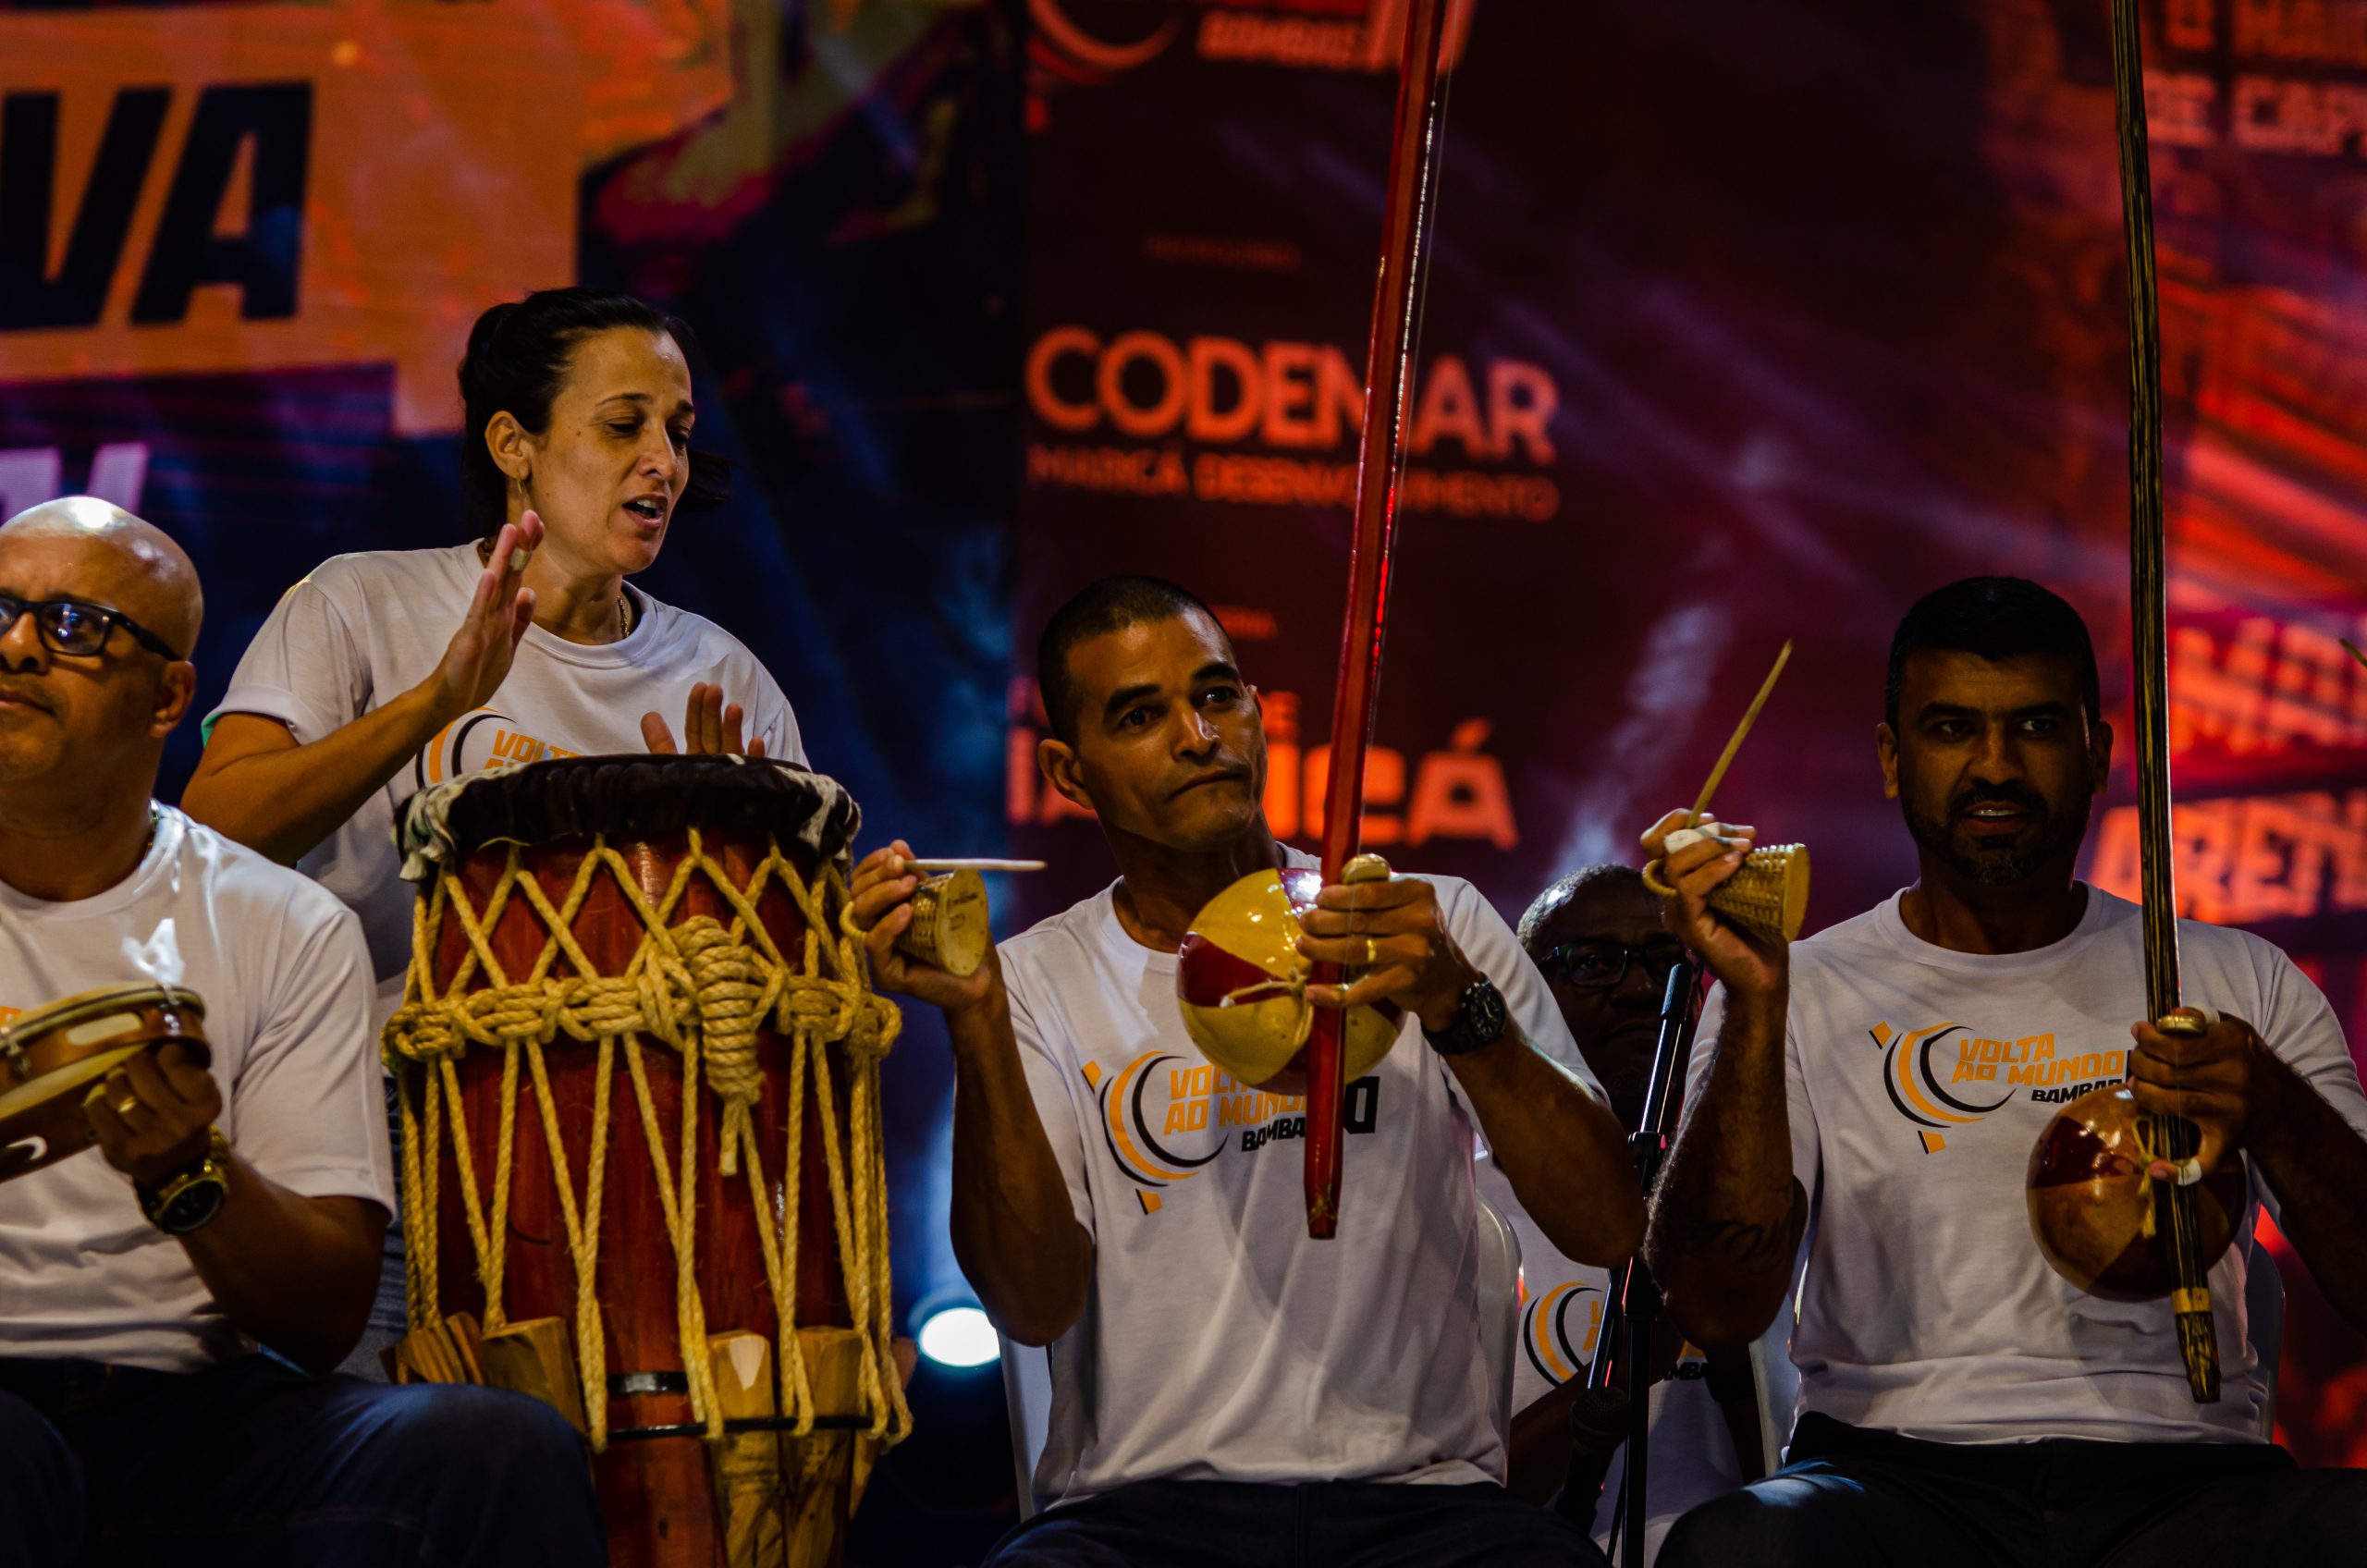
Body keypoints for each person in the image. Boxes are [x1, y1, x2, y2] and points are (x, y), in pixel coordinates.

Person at [853, 575, 1643, 1568]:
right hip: (1138, 1519)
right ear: (1067, 771)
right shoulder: (1034, 982)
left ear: (1258, 714)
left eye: (1216, 695)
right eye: (1140, 715)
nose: (1197, 736)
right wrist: (973, 1020)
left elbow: (1607, 1227)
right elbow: (1032, 1304)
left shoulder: (1427, 923)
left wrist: (1456, 1006)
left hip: (1421, 1508)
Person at [1642, 576, 2367, 1564]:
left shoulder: (2247, 978)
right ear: (1892, 759)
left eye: (2035, 726)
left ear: (2096, 755)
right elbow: (1714, 1309)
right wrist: (1755, 1007)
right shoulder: (1791, 987)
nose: (1994, 766)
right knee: (1735, 1549)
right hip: (1890, 1476)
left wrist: (2276, 1110)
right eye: (1951, 729)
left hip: (2188, 1484)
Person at [180, 287, 802, 1366]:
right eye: (623, 424)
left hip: (632, 1150)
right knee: (364, 1449)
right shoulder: (361, 603)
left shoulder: (722, 673)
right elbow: (211, 833)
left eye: (677, 431)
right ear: (514, 443)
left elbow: (784, 979)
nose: (663, 461)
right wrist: (435, 703)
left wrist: (740, 868)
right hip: (374, 1120)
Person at [0, 498, 601, 1566]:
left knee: (494, 1449)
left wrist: (193, 1174)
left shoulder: (279, 921)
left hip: (194, 1412)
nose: (14, 646)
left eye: (72, 625)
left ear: (169, 696)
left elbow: (324, 1319)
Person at [1479, 864, 1751, 1562]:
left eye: (1667, 964)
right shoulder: (1461, 1203)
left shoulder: (1751, 1198)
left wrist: (1728, 1333)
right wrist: (1630, 1364)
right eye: (1595, 964)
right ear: (1520, 992)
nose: (1639, 989)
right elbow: (1443, 1510)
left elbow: (1797, 1467)